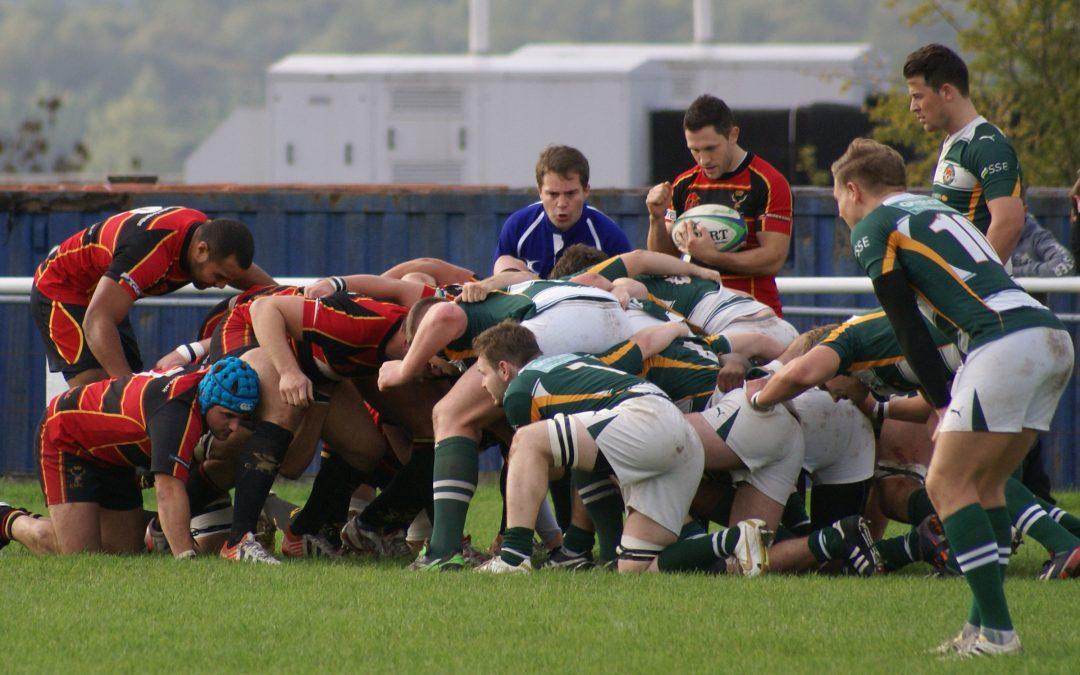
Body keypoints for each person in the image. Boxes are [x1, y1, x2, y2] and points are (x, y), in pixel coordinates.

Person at [832, 138, 1073, 656]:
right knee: (985, 485)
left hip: (1002, 341)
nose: (841, 212)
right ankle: (980, 630)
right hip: (1048, 335)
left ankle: (1001, 635)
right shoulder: (936, 208)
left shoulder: (876, 226)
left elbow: (907, 328)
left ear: (853, 190)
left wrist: (941, 402)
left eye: (838, 200)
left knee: (945, 482)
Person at [470, 320, 771, 575]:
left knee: (525, 441)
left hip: (643, 421)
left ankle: (512, 558)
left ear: (504, 369)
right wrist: (678, 326)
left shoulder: (521, 390)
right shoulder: (577, 361)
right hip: (680, 431)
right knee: (634, 566)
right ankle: (734, 541)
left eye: (483, 374)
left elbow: (550, 469)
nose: (482, 385)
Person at [0, 357, 260, 558]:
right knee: (80, 554)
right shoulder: (176, 412)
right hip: (67, 438)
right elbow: (167, 491)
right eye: (228, 415)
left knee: (122, 550)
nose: (235, 426)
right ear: (209, 400)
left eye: (242, 418)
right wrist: (185, 557)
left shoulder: (207, 384)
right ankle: (7, 519)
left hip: (115, 454)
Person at [31, 206, 274, 388]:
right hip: (63, 287)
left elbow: (254, 281)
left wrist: (290, 295)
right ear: (201, 251)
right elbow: (97, 320)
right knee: (101, 390)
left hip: (104, 290)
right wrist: (130, 392)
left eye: (227, 279)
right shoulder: (152, 250)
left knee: (130, 380)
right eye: (219, 276)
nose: (222, 286)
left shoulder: (206, 240)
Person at [645, 94, 792, 315]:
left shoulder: (769, 182)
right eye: (694, 150)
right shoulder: (684, 184)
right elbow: (664, 259)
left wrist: (712, 256)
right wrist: (656, 218)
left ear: (733, 135)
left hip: (753, 313)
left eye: (711, 148)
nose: (703, 160)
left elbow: (773, 258)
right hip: (699, 311)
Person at [904, 44, 1025, 261]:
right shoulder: (954, 141)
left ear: (947, 92)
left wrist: (973, 285)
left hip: (980, 294)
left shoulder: (988, 145)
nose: (913, 107)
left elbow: (1009, 223)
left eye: (918, 96)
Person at [493, 145, 631, 278]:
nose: (562, 204)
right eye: (553, 194)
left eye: (570, 194)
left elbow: (629, 289)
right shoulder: (518, 227)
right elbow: (500, 288)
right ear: (540, 192)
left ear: (586, 191)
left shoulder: (608, 234)